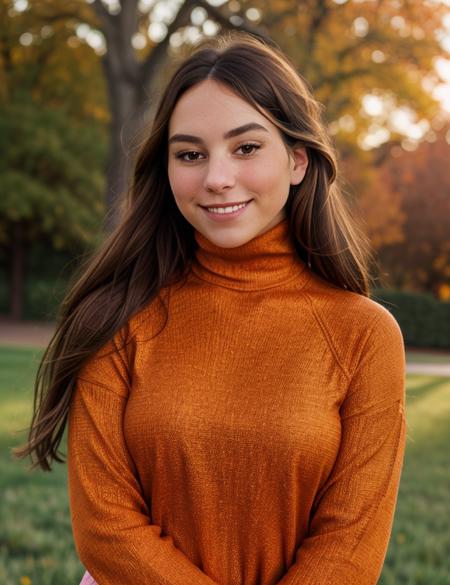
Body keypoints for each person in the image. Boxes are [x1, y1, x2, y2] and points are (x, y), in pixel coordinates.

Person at [15, 31, 407, 585]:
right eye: (190, 154)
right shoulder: (120, 314)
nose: (217, 178)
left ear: (298, 160)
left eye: (246, 148)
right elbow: (105, 528)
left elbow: (350, 547)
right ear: (167, 167)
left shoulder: (364, 335)